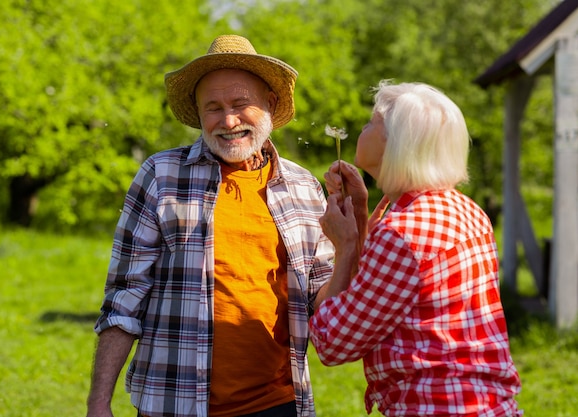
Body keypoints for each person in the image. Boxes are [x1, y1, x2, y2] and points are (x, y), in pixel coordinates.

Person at [86, 34, 334, 417]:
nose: (228, 120)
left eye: (240, 104)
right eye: (213, 108)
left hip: (279, 403)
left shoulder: (303, 187)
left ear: (269, 103)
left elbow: (323, 296)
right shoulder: (161, 175)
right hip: (173, 402)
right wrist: (99, 402)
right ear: (199, 115)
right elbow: (123, 299)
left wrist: (353, 243)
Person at [309, 80, 522, 417]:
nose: (363, 127)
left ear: (396, 142)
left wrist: (346, 245)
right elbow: (391, 293)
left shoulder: (401, 233)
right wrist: (361, 213)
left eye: (372, 122)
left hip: (434, 407)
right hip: (485, 405)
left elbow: (333, 342)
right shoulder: (466, 210)